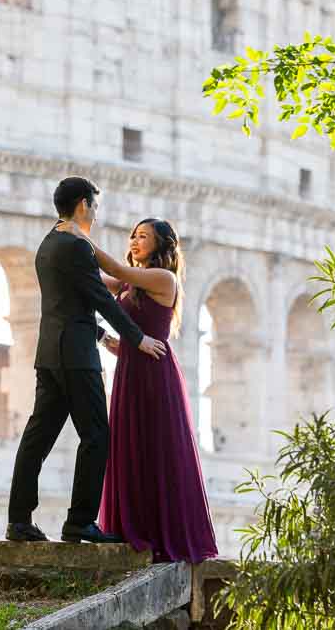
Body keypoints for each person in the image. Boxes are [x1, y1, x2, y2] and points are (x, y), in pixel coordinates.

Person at [5, 177, 168, 544]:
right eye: (93, 206)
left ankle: (19, 520)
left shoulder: (48, 244)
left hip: (50, 353)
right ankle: (79, 521)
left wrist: (101, 336)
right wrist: (137, 338)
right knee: (96, 434)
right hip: (76, 358)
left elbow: (67, 303)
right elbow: (100, 299)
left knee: (38, 436)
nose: (94, 214)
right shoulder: (75, 247)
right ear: (82, 205)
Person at [57, 217, 218, 563]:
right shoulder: (130, 287)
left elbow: (114, 269)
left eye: (143, 236)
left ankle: (158, 532)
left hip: (155, 375)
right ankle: (135, 528)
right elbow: (94, 286)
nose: (134, 241)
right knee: (131, 445)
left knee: (155, 448)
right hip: (131, 369)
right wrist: (102, 335)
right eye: (133, 235)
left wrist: (79, 237)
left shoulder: (163, 278)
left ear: (160, 245)